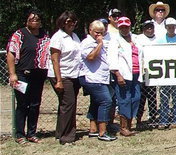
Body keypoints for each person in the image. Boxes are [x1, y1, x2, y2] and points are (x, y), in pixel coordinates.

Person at [7, 10, 50, 144]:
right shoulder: (19, 34)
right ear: (26, 21)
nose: (34, 21)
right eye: (31, 19)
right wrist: (12, 74)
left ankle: (32, 133)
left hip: (39, 74)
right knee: (22, 104)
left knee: (35, 104)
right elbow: (11, 53)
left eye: (37, 19)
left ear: (40, 22)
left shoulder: (44, 36)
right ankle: (20, 134)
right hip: (22, 74)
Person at [48, 11, 81, 144]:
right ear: (62, 22)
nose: (71, 24)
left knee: (67, 105)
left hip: (73, 75)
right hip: (62, 75)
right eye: (68, 22)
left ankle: (60, 132)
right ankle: (66, 137)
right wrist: (59, 80)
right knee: (68, 104)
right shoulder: (58, 37)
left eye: (73, 22)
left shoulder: (74, 36)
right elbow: (55, 59)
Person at [79, 20, 115, 141]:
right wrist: (99, 44)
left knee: (96, 102)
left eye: (101, 33)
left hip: (102, 77)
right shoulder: (87, 43)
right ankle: (102, 132)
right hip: (92, 78)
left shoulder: (100, 41)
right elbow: (90, 57)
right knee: (106, 101)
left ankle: (93, 130)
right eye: (96, 32)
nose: (99, 35)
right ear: (90, 31)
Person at [108, 16, 141, 137]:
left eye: (126, 27)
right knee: (124, 99)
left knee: (136, 98)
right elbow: (111, 59)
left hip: (136, 73)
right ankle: (124, 127)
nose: (124, 29)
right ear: (118, 27)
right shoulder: (115, 40)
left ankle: (130, 124)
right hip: (123, 74)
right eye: (121, 27)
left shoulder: (136, 38)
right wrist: (117, 74)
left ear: (129, 26)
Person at [157, 18, 176, 129]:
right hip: (164, 72)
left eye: (173, 26)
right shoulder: (160, 40)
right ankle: (163, 120)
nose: (171, 28)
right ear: (166, 27)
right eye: (169, 26)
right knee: (164, 97)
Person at [134, 20, 159, 129]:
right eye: (147, 27)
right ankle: (138, 119)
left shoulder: (158, 39)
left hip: (154, 72)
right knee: (141, 97)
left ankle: (153, 118)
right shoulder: (138, 38)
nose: (149, 29)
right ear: (143, 29)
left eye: (151, 27)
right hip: (142, 72)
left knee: (152, 96)